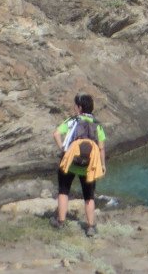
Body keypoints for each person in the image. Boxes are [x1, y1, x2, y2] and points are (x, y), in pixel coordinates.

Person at [53, 93, 106, 236]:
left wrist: (63, 150)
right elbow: (101, 148)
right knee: (89, 197)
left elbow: (56, 134)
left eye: (75, 105)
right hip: (89, 165)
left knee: (64, 191)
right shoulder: (97, 125)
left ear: (80, 107)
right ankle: (90, 227)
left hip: (70, 162)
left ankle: (61, 222)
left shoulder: (72, 120)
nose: (74, 107)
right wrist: (102, 165)